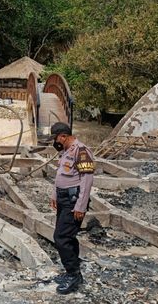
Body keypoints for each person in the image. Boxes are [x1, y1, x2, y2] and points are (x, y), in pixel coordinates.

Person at [48, 122, 95, 295]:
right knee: (68, 236)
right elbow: (60, 174)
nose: (54, 142)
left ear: (63, 136)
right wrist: (55, 195)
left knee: (61, 237)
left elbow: (87, 180)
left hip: (73, 200)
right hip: (63, 199)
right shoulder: (65, 151)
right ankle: (71, 270)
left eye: (55, 138)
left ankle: (74, 275)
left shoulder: (81, 151)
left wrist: (80, 206)